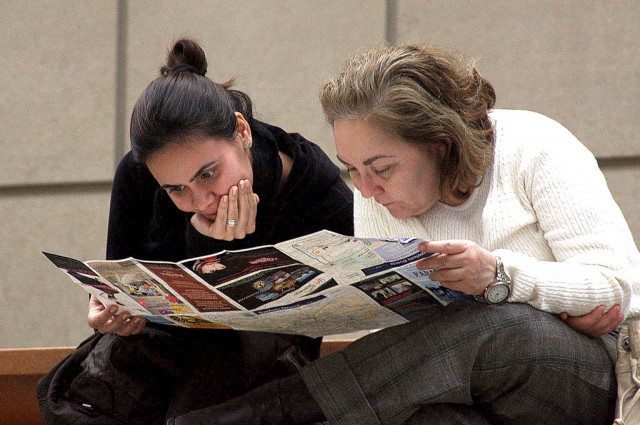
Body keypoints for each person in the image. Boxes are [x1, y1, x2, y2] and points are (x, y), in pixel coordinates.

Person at [170, 44, 640, 425]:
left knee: (500, 324)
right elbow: (404, 345)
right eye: (351, 169)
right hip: (462, 384)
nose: (366, 189)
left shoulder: (535, 147)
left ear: (439, 143)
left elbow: (618, 285)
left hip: (586, 375)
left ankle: (273, 411)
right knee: (420, 417)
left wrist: (498, 277)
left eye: (381, 169)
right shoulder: (372, 196)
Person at [37, 38, 353, 425]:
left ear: (241, 132)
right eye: (176, 190)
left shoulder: (313, 187)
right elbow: (122, 283)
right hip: (161, 356)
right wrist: (110, 309)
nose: (202, 200)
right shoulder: (138, 176)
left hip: (259, 377)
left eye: (208, 174)